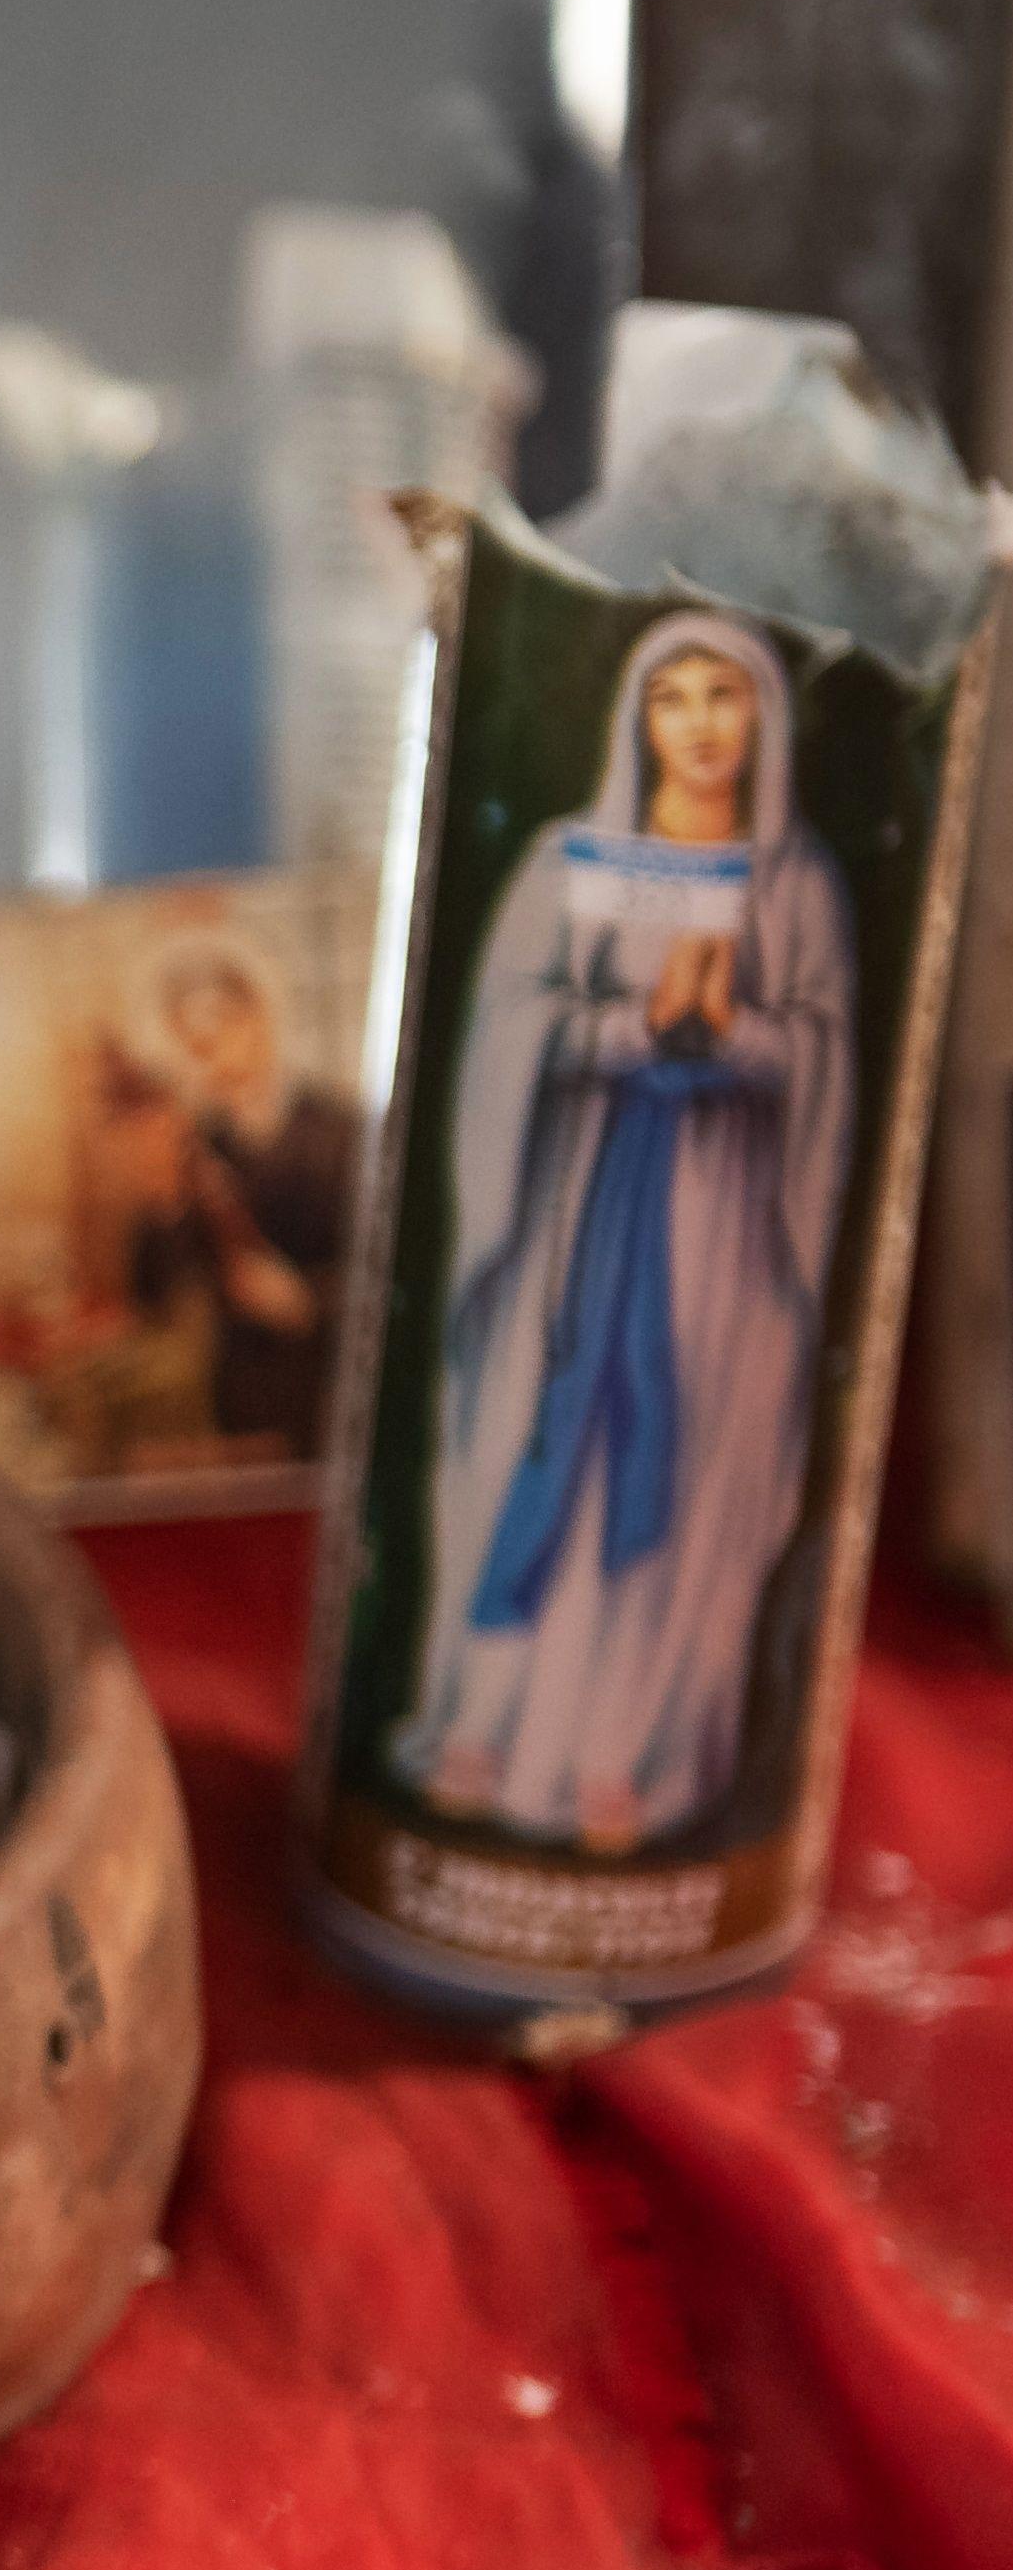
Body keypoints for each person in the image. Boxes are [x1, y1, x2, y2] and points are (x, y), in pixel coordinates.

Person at [395, 615, 858, 1853]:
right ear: (636, 719)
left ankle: (623, 1753)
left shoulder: (794, 880)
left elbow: (824, 1054)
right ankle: (490, 1732)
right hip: (571, 1217)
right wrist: (626, 1033)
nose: (702, 725)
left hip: (717, 1242)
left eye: (728, 698)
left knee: (685, 1480)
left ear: (762, 720)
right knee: (534, 1457)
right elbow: (509, 1024)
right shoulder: (572, 858)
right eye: (675, 697)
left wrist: (732, 1038)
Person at [143, 934, 359, 1453]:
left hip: (332, 1397)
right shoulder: (198, 1144)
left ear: (257, 1018)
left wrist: (308, 1304)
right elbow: (155, 1293)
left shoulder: (342, 1132)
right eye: (190, 1043)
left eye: (215, 1031)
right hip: (242, 1408)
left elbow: (394, 1274)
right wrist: (167, 1204)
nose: (205, 1055)